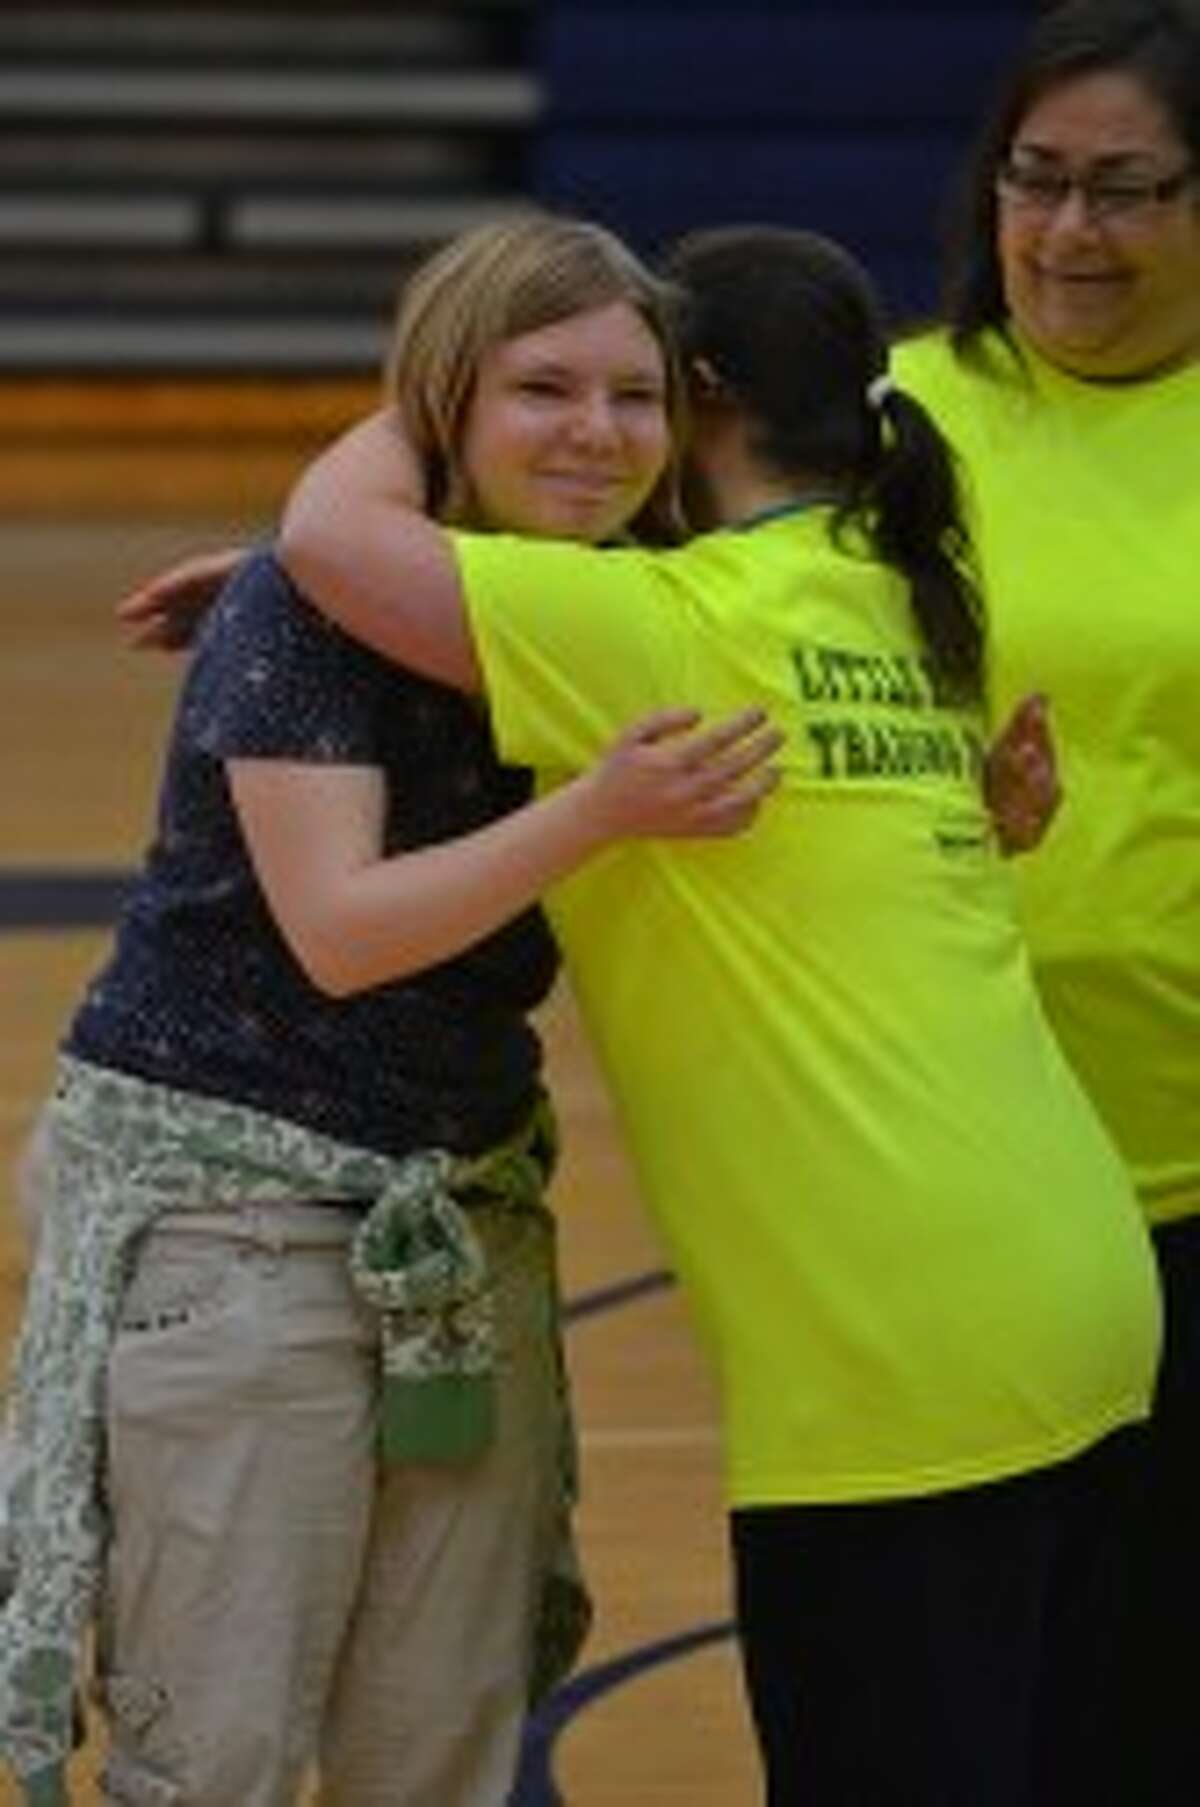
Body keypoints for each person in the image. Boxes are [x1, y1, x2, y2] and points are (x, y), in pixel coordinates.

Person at [263, 219, 1162, 1806]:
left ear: (693, 398)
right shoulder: (907, 602)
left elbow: (333, 543)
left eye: (630, 393)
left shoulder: (662, 630)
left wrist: (446, 385)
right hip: (1084, 1289)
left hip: (899, 1363)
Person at [0, 217, 785, 1807]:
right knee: (211, 1757)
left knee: (438, 1753)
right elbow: (344, 935)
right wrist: (596, 811)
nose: (595, 434)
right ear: (445, 406)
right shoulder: (307, 610)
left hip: (463, 1211)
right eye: (541, 388)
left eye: (633, 399)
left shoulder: (608, 603)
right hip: (237, 1224)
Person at [892, 1, 1200, 1795]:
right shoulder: (891, 414)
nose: (1069, 235)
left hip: (1187, 1159)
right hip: (956, 1154)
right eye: (1036, 180)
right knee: (969, 1691)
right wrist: (308, 578)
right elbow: (581, 538)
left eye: (1126, 191)